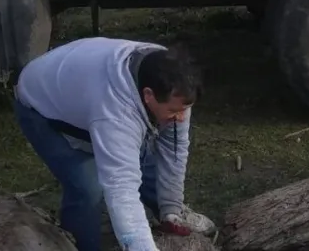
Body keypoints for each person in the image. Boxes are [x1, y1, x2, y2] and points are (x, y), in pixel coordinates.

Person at [14, 37, 215, 251]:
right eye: (174, 111)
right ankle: (82, 246)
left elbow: (173, 148)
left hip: (82, 85)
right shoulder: (116, 115)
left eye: (185, 109)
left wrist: (171, 207)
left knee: (144, 162)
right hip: (43, 106)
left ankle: (171, 212)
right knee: (88, 188)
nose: (182, 118)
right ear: (148, 96)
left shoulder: (172, 79)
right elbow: (122, 188)